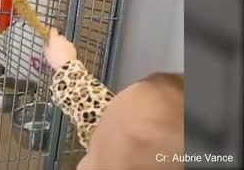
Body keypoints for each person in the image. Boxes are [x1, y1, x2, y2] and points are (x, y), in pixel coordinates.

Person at [43, 28, 184, 170]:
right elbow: (96, 113)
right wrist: (66, 65)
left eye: (92, 156)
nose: (82, 164)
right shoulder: (115, 141)